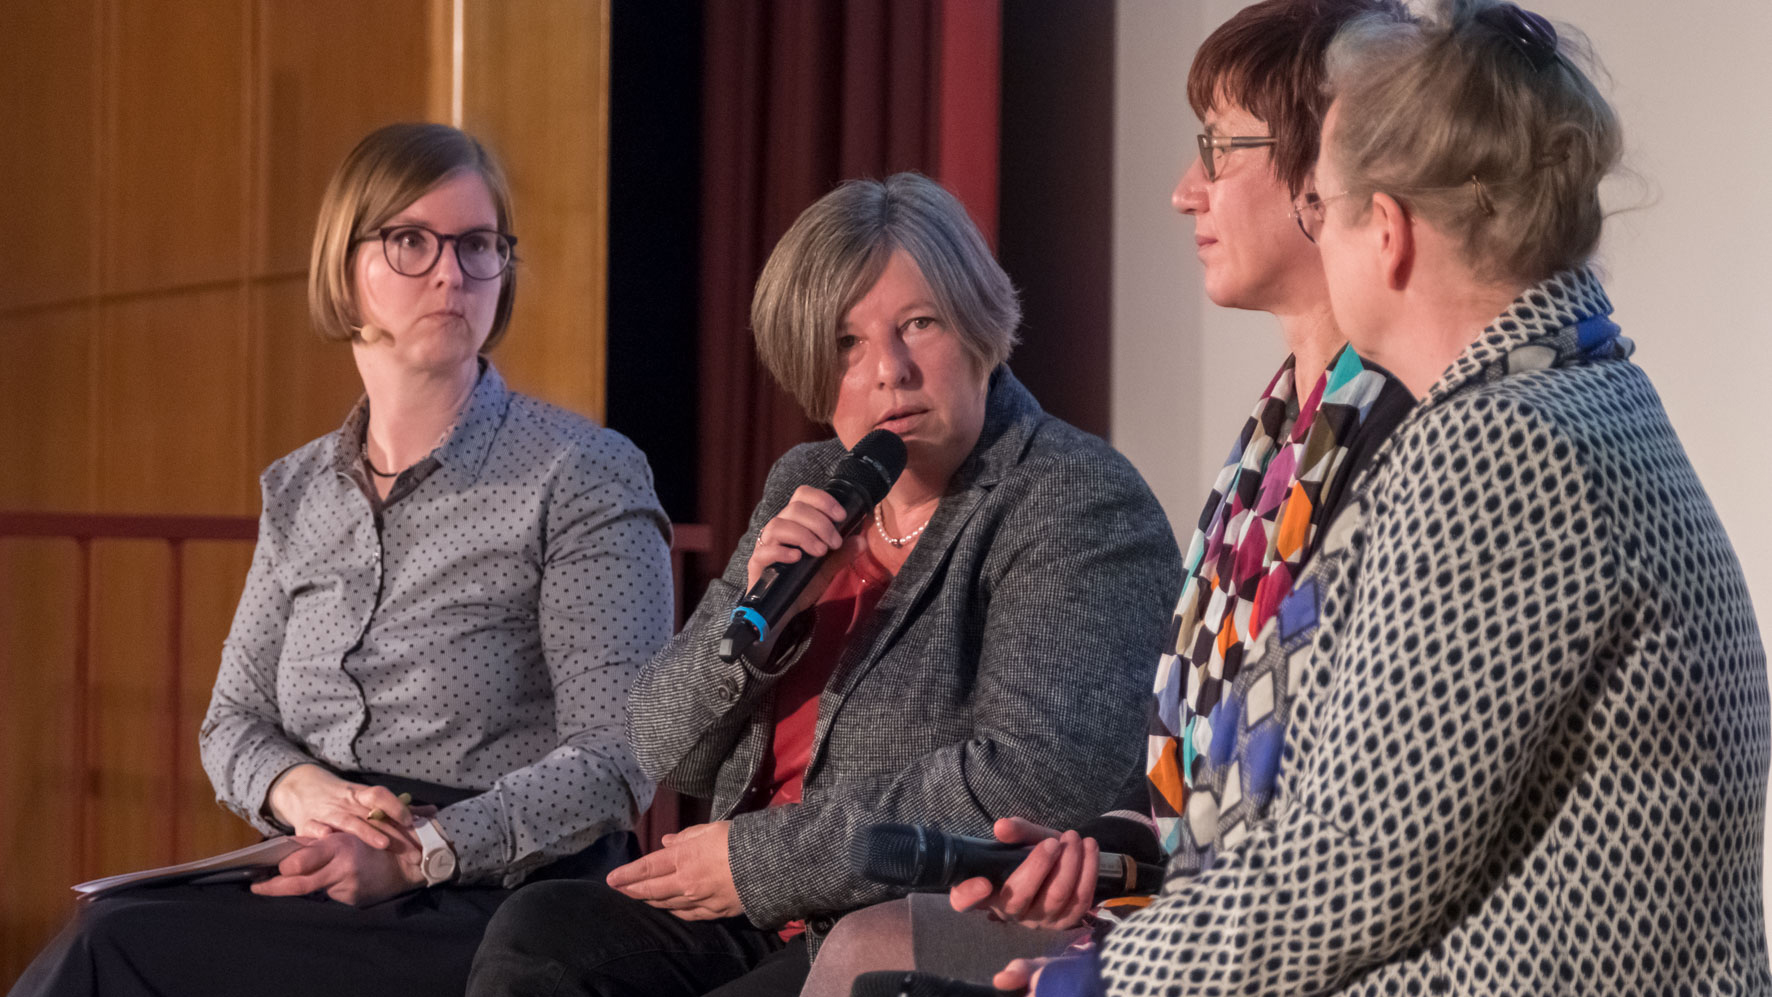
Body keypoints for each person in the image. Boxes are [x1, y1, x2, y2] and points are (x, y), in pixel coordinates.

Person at [1085, 2, 1772, 993]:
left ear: (1389, 236)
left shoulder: (1499, 443)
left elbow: (1349, 873)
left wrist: (1101, 976)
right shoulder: (1569, 395)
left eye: (1320, 205)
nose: (1315, 233)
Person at [799, 3, 1418, 994]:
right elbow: (1196, 796)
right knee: (858, 951)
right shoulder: (1274, 431)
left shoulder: (1403, 436)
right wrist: (1094, 851)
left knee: (870, 963)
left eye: (1218, 150)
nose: (1183, 191)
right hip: (1190, 898)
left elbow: (1347, 846)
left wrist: (1106, 967)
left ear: (1323, 170)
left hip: (1284, 945)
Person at [465, 172, 1182, 997]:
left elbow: (1030, 780)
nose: (890, 371)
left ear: (981, 329)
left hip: (904, 912)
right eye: (847, 343)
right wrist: (766, 629)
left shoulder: (1071, 497)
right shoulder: (811, 480)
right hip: (754, 914)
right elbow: (667, 743)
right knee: (542, 930)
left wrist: (761, 860)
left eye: (919, 323)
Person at [8, 123, 674, 997]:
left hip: (504, 889)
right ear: (344, 266)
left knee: (117, 948)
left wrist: (423, 852)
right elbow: (234, 722)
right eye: (410, 241)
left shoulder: (582, 472)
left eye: (477, 245)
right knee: (116, 929)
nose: (450, 272)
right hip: (332, 862)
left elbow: (618, 755)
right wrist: (307, 793)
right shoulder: (299, 489)